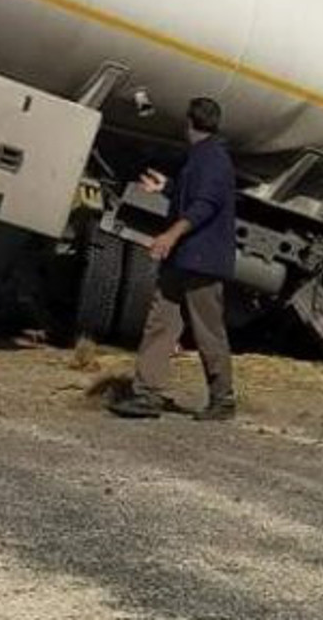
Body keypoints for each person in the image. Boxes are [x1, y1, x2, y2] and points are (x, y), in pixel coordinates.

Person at [108, 98, 238, 421]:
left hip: (201, 261)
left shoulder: (214, 160)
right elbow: (190, 195)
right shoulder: (202, 158)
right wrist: (166, 188)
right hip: (183, 260)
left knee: (207, 330)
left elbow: (204, 205)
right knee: (160, 322)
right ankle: (147, 394)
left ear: (189, 122)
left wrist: (170, 235)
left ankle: (223, 399)